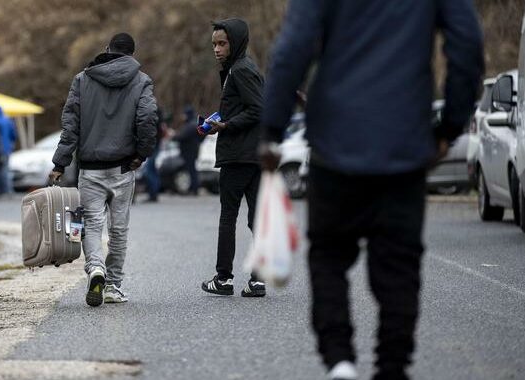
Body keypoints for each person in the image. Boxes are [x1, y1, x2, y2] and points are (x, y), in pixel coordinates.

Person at [259, 1, 484, 379]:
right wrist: (449, 127)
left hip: (335, 145)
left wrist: (271, 130)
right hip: (404, 146)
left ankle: (339, 361)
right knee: (398, 266)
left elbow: (293, 47)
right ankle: (392, 367)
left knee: (329, 256)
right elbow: (467, 44)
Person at [49, 32, 158, 307]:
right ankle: (113, 285)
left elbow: (70, 125)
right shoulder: (141, 80)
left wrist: (60, 163)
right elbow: (147, 118)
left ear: (107, 50)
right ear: (132, 55)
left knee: (92, 226)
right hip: (123, 168)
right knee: (119, 229)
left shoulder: (83, 80)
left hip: (90, 170)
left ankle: (95, 268)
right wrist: (141, 154)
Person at [199, 18, 266, 298]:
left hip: (240, 156)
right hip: (251, 154)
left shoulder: (241, 70)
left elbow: (259, 109)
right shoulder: (236, 70)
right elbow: (245, 108)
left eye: (222, 43)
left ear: (235, 43)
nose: (216, 49)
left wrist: (226, 126)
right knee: (257, 219)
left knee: (229, 217)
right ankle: (258, 280)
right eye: (214, 43)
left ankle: (224, 278)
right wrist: (217, 120)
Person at [174, 106, 202, 195]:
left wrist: (173, 136)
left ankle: (194, 189)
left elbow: (181, 136)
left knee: (191, 170)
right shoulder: (193, 123)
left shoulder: (190, 125)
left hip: (189, 152)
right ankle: (193, 188)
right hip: (191, 151)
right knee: (191, 170)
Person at [0, 106, 17, 196]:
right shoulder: (7, 121)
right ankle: (8, 190)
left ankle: (1, 190)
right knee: (5, 169)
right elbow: (13, 135)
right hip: (7, 148)